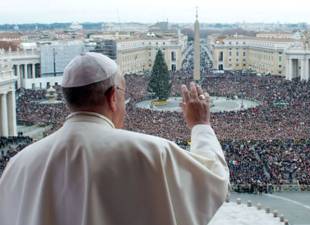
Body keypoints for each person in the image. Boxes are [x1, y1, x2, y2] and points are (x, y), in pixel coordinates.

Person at [0, 52, 229, 225]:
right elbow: (214, 179)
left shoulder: (18, 165)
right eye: (123, 94)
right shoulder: (151, 152)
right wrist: (201, 125)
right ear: (112, 98)